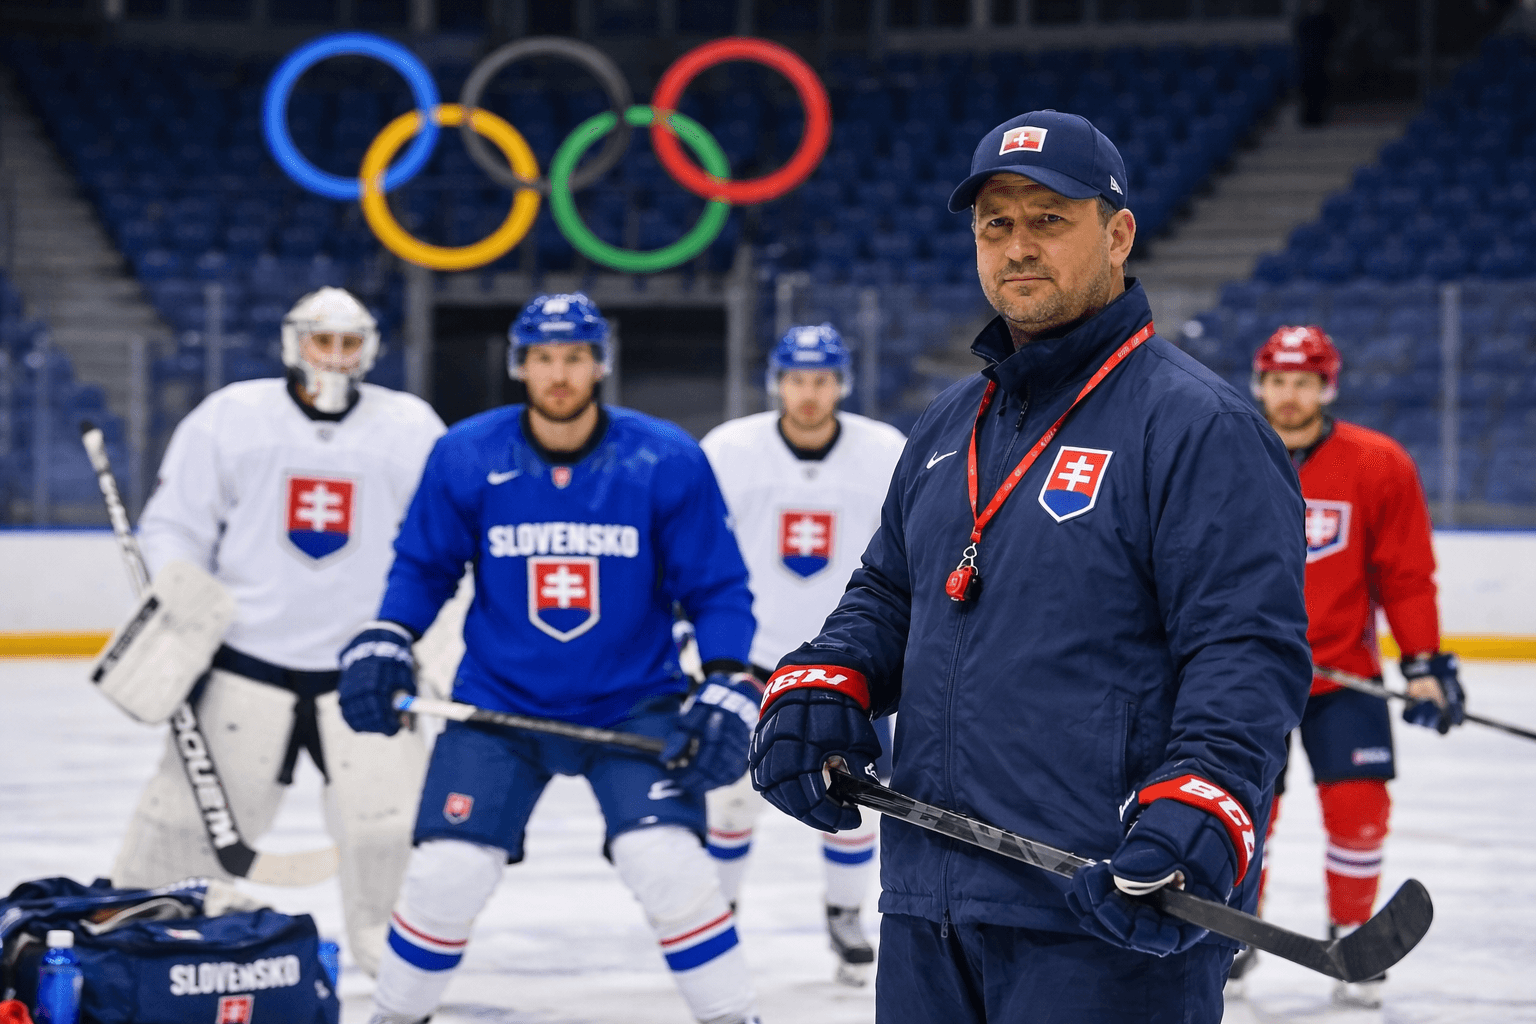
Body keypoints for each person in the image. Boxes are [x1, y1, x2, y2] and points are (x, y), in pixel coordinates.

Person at [746, 110, 1314, 1024]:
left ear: (1118, 232)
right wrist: (828, 675)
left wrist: (1206, 799)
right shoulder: (945, 426)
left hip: (1107, 911)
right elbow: (891, 594)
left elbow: (1244, 648)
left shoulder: (1197, 425)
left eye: (1049, 218)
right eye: (995, 224)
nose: (1018, 246)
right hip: (929, 904)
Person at [337, 293, 765, 1024]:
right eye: (543, 359)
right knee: (448, 871)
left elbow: (717, 586)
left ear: (599, 363)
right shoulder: (466, 453)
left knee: (669, 867)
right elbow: (423, 566)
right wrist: (387, 633)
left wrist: (727, 678)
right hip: (499, 705)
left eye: (573, 357)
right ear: (520, 365)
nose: (558, 374)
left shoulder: (664, 457)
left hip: (634, 700)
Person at [112, 286, 446, 976]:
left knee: (388, 832)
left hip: (364, 672)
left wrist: (426, 646)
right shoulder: (231, 416)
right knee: (181, 828)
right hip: (245, 665)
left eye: (349, 343)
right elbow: (175, 523)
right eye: (322, 341)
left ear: (371, 349)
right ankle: (144, 959)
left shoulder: (411, 427)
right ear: (294, 344)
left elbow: (443, 544)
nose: (335, 356)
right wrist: (184, 605)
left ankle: (401, 979)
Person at [1230, 325, 1466, 1007]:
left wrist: (1423, 660)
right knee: (1243, 811)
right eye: (1278, 381)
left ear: (1326, 387)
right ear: (1261, 383)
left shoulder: (1377, 462)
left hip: (1343, 674)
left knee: (1360, 809)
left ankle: (1354, 931)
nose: (1290, 395)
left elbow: (1406, 574)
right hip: (1247, 674)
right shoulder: (1228, 449)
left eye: (1304, 382)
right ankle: (1234, 935)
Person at [699, 322, 907, 986]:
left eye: (821, 380)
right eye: (797, 379)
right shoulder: (730, 450)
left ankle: (845, 914)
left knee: (850, 798)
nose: (809, 393)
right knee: (729, 801)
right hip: (753, 657)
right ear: (777, 383)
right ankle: (720, 913)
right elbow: (699, 549)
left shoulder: (885, 451)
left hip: (848, 664)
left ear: (840, 384)